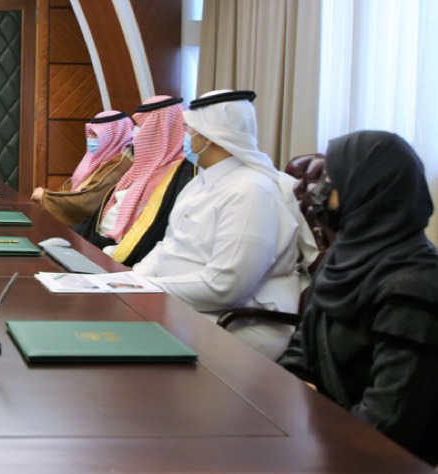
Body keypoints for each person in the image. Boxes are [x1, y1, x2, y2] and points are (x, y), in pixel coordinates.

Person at [278, 131, 438, 463]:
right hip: (327, 436)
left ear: (367, 188)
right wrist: (278, 406)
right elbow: (300, 356)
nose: (320, 191)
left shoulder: (415, 285)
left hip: (375, 458)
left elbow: (389, 420)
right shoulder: (340, 259)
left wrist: (313, 447)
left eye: (331, 181)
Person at [132, 90, 318, 359]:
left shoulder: (251, 191)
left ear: (208, 136)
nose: (185, 137)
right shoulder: (199, 183)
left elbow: (224, 286)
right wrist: (132, 280)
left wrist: (148, 288)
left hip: (239, 322)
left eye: (189, 130)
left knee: (123, 343)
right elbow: (168, 246)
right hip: (186, 307)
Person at [75, 96, 195, 267]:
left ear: (158, 130)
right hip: (98, 246)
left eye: (141, 125)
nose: (135, 133)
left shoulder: (179, 175)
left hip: (124, 259)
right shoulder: (140, 165)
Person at [31, 110, 134, 227]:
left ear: (113, 136)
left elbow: (87, 201)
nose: (90, 138)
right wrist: (48, 197)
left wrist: (45, 197)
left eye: (95, 134)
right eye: (90, 133)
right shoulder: (97, 158)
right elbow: (71, 188)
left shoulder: (120, 163)